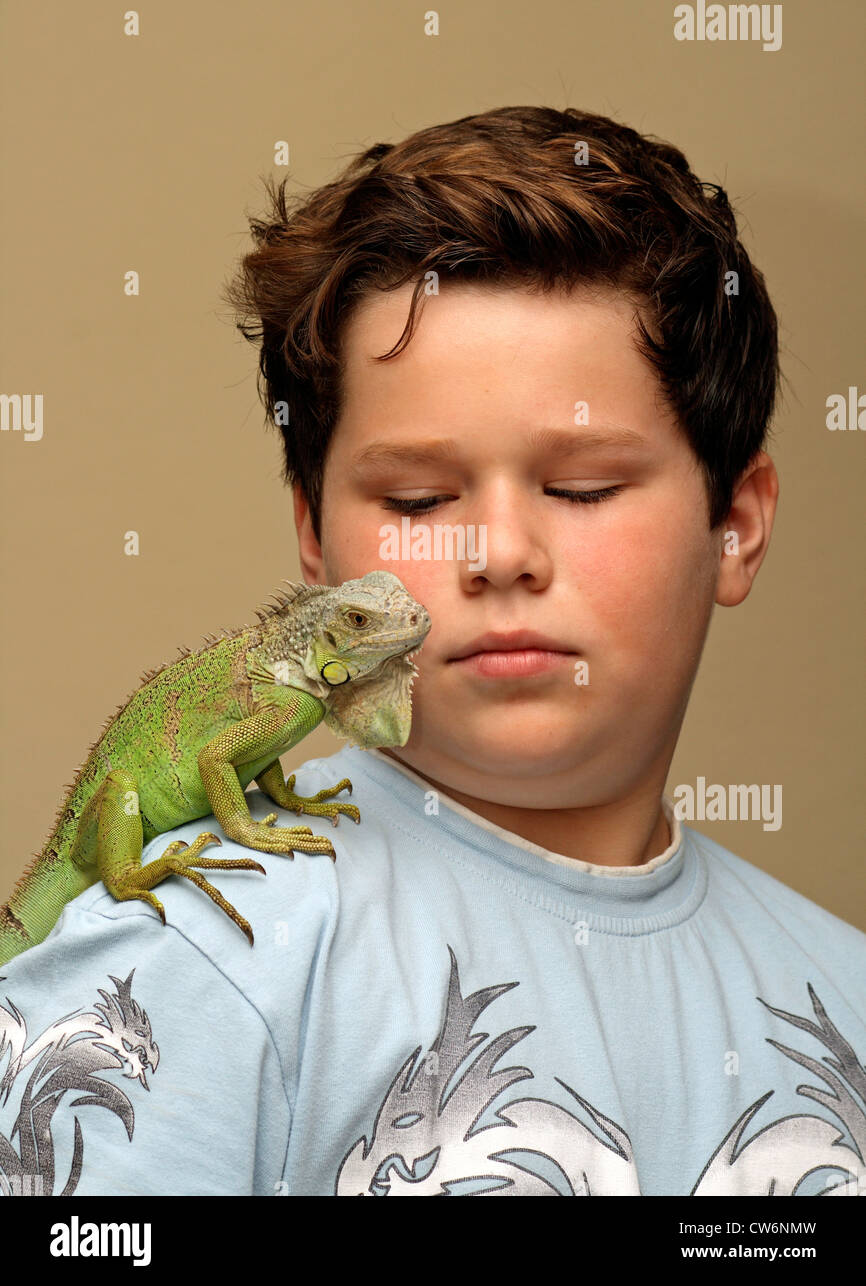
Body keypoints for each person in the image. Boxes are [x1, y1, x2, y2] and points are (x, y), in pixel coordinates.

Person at [2, 107, 863, 1198]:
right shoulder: (192, 959)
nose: (495, 553)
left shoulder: (842, 999)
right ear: (316, 543)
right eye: (417, 498)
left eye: (583, 485)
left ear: (733, 526)